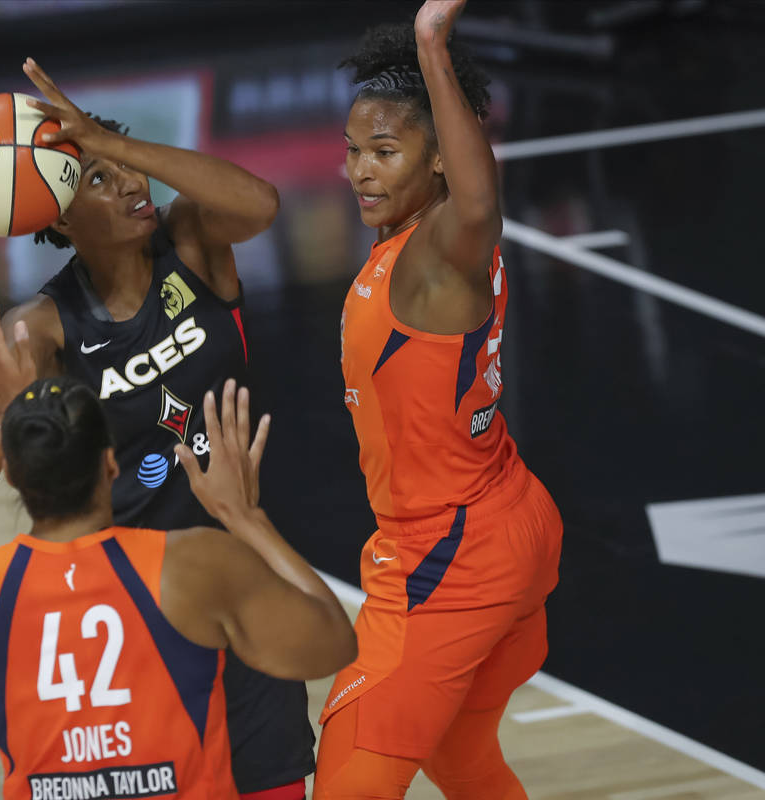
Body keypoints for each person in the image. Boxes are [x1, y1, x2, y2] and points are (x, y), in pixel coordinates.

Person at [0, 58, 316, 797]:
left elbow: (261, 204)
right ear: (60, 213)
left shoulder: (194, 243)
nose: (131, 185)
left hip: (241, 567)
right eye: (99, 179)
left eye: (126, 166)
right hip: (149, 597)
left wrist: (108, 142)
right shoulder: (44, 322)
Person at [0, 302, 356, 799]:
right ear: (110, 464)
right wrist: (245, 518)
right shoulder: (192, 565)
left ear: (11, 473)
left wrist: (7, 413)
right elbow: (335, 641)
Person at [313, 2, 564, 798]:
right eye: (354, 151)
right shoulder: (417, 249)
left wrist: (432, 46)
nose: (361, 170)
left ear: (443, 161)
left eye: (385, 151)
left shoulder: (437, 258)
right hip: (506, 514)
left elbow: (482, 206)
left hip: (444, 556)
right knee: (461, 758)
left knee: (348, 778)